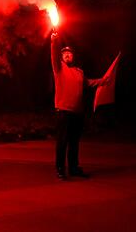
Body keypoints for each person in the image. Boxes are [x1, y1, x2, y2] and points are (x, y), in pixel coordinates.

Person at [50, 32, 110, 180]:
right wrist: (54, 41)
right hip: (63, 111)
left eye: (69, 54)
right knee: (62, 142)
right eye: (64, 54)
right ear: (61, 57)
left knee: (74, 143)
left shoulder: (79, 72)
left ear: (73, 56)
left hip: (77, 113)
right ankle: (60, 169)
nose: (67, 55)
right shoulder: (59, 69)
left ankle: (74, 168)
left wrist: (103, 80)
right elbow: (54, 53)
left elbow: (89, 83)